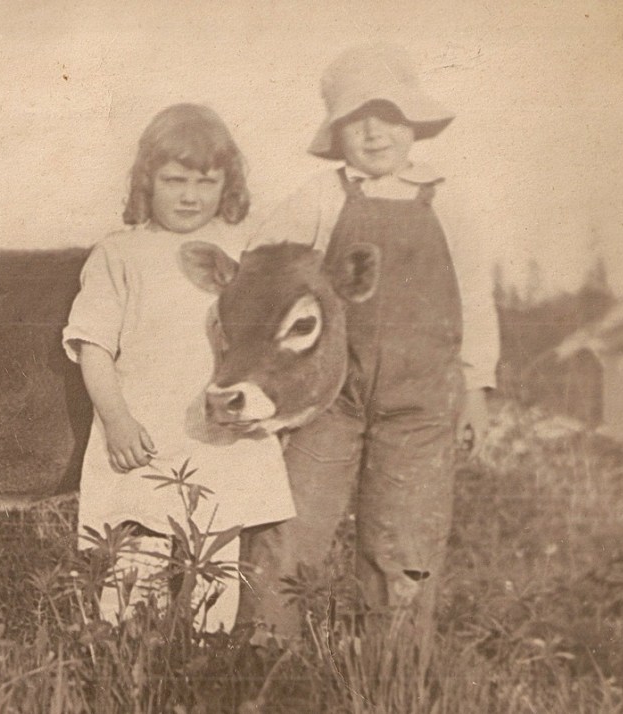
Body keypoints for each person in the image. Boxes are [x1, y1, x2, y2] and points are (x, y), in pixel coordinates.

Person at [239, 44, 500, 657]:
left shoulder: (449, 200)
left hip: (423, 405)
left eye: (388, 116)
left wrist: (477, 391)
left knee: (404, 542)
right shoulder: (322, 195)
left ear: (413, 126)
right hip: (332, 398)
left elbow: (475, 299)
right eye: (357, 119)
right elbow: (260, 268)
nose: (374, 131)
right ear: (337, 132)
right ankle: (264, 665)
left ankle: (393, 677)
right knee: (290, 528)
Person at [63, 103, 295, 632]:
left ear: (226, 184)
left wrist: (262, 408)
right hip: (143, 437)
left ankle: (201, 671)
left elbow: (267, 342)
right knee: (134, 570)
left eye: (205, 181)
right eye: (174, 180)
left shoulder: (243, 251)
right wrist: (117, 419)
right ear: (147, 181)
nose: (190, 196)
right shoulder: (119, 254)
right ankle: (129, 671)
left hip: (221, 438)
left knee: (215, 568)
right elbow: (92, 344)